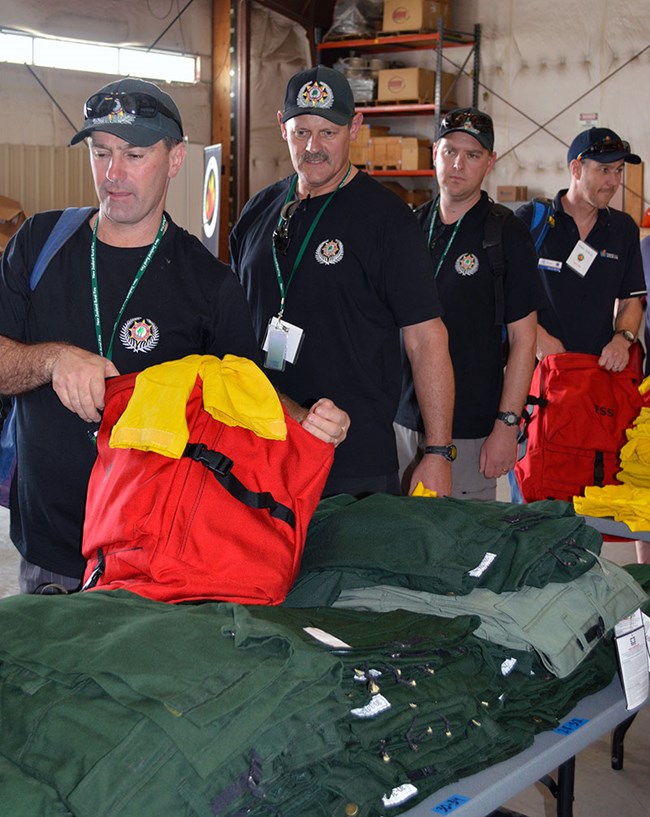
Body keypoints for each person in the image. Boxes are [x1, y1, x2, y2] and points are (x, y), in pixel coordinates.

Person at [0, 77, 348, 595]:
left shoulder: (206, 283)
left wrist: (307, 420)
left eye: (134, 155)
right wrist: (52, 360)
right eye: (101, 153)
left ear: (175, 159)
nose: (113, 174)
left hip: (151, 553)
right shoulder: (40, 244)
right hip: (50, 545)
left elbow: (248, 391)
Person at [230, 65, 455, 499]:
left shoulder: (388, 221)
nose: (313, 147)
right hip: (260, 447)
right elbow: (231, 323)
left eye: (328, 133)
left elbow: (427, 339)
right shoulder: (258, 211)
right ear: (282, 126)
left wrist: (438, 450)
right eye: (301, 132)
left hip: (352, 462)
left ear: (355, 127)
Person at [394, 107, 542, 501]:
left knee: (458, 549)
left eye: (472, 155)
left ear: (489, 162)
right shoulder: (409, 227)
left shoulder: (505, 233)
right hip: (402, 421)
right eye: (449, 151)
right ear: (434, 154)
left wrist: (507, 426)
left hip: (471, 429)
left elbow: (524, 340)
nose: (458, 164)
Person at [515, 127, 645, 372]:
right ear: (575, 169)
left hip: (596, 375)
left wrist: (622, 339)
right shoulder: (532, 221)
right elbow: (505, 290)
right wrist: (536, 337)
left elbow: (631, 300)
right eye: (604, 170)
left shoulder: (623, 229)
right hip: (538, 374)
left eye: (619, 170)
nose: (614, 182)